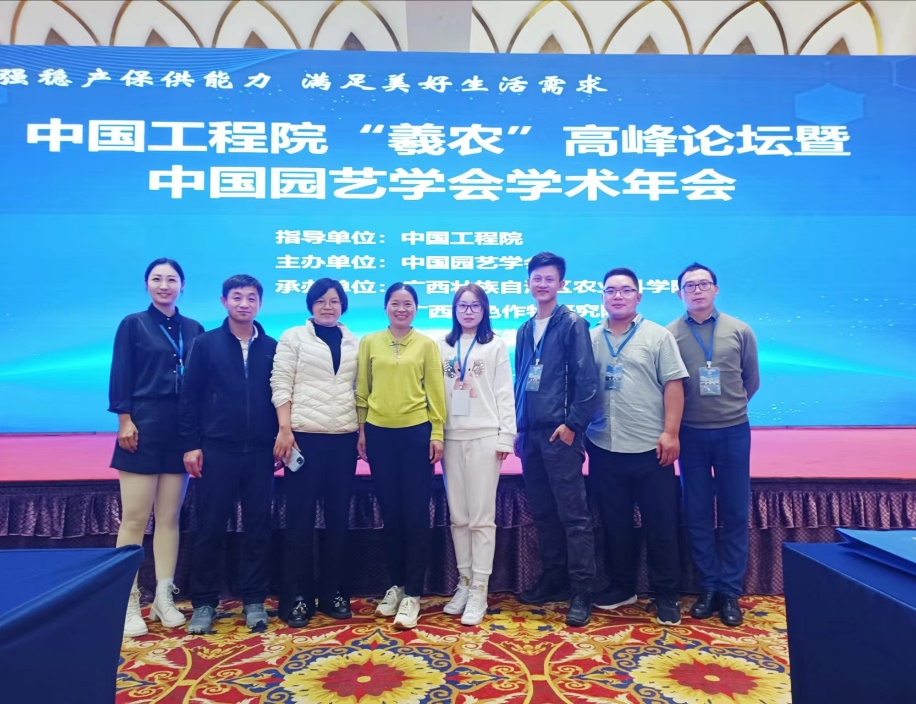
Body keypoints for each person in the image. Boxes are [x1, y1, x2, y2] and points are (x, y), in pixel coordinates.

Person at [586, 267, 689, 626]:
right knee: (614, 524)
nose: (618, 296)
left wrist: (671, 433)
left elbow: (674, 385)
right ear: (603, 296)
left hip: (651, 447)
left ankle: (666, 594)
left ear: (638, 296)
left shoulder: (658, 336)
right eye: (611, 290)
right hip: (604, 445)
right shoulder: (591, 337)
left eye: (625, 290)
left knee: (661, 524)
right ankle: (621, 586)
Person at [109, 258, 204, 638]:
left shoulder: (193, 328)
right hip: (142, 426)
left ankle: (164, 597)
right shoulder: (133, 324)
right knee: (134, 519)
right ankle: (127, 600)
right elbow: (121, 374)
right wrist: (125, 420)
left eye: (172, 279)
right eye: (157, 279)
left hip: (180, 430)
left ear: (183, 285)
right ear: (147, 284)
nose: (164, 285)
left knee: (169, 518)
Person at [179, 275, 279, 634]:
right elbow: (189, 397)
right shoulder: (205, 343)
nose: (244, 304)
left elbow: (280, 397)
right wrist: (191, 444)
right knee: (210, 527)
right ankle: (205, 602)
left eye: (251, 298)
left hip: (260, 452)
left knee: (258, 528)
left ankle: (254, 599)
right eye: (237, 297)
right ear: (224, 301)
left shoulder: (272, 346)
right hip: (217, 449)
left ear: (260, 304)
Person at [668, 262, 760, 627]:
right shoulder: (670, 334)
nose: (697, 290)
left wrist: (729, 409)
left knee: (735, 511)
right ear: (680, 293)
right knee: (698, 512)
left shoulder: (739, 330)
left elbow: (751, 380)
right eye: (689, 286)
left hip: (733, 431)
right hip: (690, 433)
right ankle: (708, 586)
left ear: (716, 289)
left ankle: (730, 591)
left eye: (703, 284)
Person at [514, 252, 598, 628]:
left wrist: (572, 425)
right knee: (544, 513)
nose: (542, 284)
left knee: (573, 516)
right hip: (530, 435)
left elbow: (587, 381)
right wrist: (517, 428)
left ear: (561, 284)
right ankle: (553, 579)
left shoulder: (572, 324)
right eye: (537, 278)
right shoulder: (524, 329)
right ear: (528, 283)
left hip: (560, 434)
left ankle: (581, 591)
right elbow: (521, 381)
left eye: (549, 278)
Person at [356, 283, 447, 630]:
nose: (401, 309)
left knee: (415, 515)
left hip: (415, 434)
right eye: (395, 303)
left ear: (416, 309)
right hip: (379, 434)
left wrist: (436, 432)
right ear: (386, 307)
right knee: (391, 514)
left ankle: (413, 593)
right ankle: (395, 585)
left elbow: (435, 392)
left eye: (408, 304)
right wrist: (362, 430)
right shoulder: (370, 342)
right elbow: (362, 390)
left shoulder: (426, 344)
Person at [271, 278, 360, 628]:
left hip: (343, 440)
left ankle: (333, 592)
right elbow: (280, 382)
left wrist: (361, 431)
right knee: (300, 520)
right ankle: (296, 597)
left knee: (338, 520)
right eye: (321, 300)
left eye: (334, 300)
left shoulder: (354, 341)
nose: (328, 306)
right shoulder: (294, 337)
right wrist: (285, 428)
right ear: (310, 304)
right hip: (303, 439)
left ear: (343, 306)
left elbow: (360, 390)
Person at [439, 284, 517, 626]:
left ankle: (480, 591)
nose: (468, 312)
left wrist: (505, 437)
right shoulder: (441, 346)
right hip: (450, 436)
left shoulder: (495, 345)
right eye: (462, 306)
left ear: (484, 310)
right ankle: (465, 582)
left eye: (474, 306)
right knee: (459, 516)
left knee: (481, 518)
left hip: (485, 436)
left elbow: (504, 393)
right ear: (454, 310)